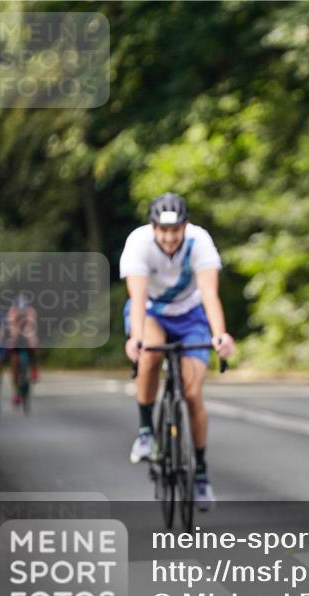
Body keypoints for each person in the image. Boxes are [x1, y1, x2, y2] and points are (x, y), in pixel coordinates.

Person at [120, 192, 235, 511]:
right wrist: (137, 339)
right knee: (151, 354)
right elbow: (139, 298)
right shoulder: (138, 244)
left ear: (185, 226)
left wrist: (219, 335)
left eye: (176, 230)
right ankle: (145, 431)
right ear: (153, 227)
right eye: (163, 230)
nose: (170, 238)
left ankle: (199, 472)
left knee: (192, 392)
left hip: (191, 316)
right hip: (152, 313)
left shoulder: (199, 242)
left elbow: (210, 294)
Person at [5, 292, 40, 406]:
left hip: (27, 334)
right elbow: (12, 328)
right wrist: (13, 339)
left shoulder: (30, 311)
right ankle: (16, 392)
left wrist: (30, 337)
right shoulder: (12, 311)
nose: (21, 312)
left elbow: (31, 325)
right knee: (14, 362)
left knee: (34, 344)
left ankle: (34, 367)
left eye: (23, 310)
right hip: (16, 336)